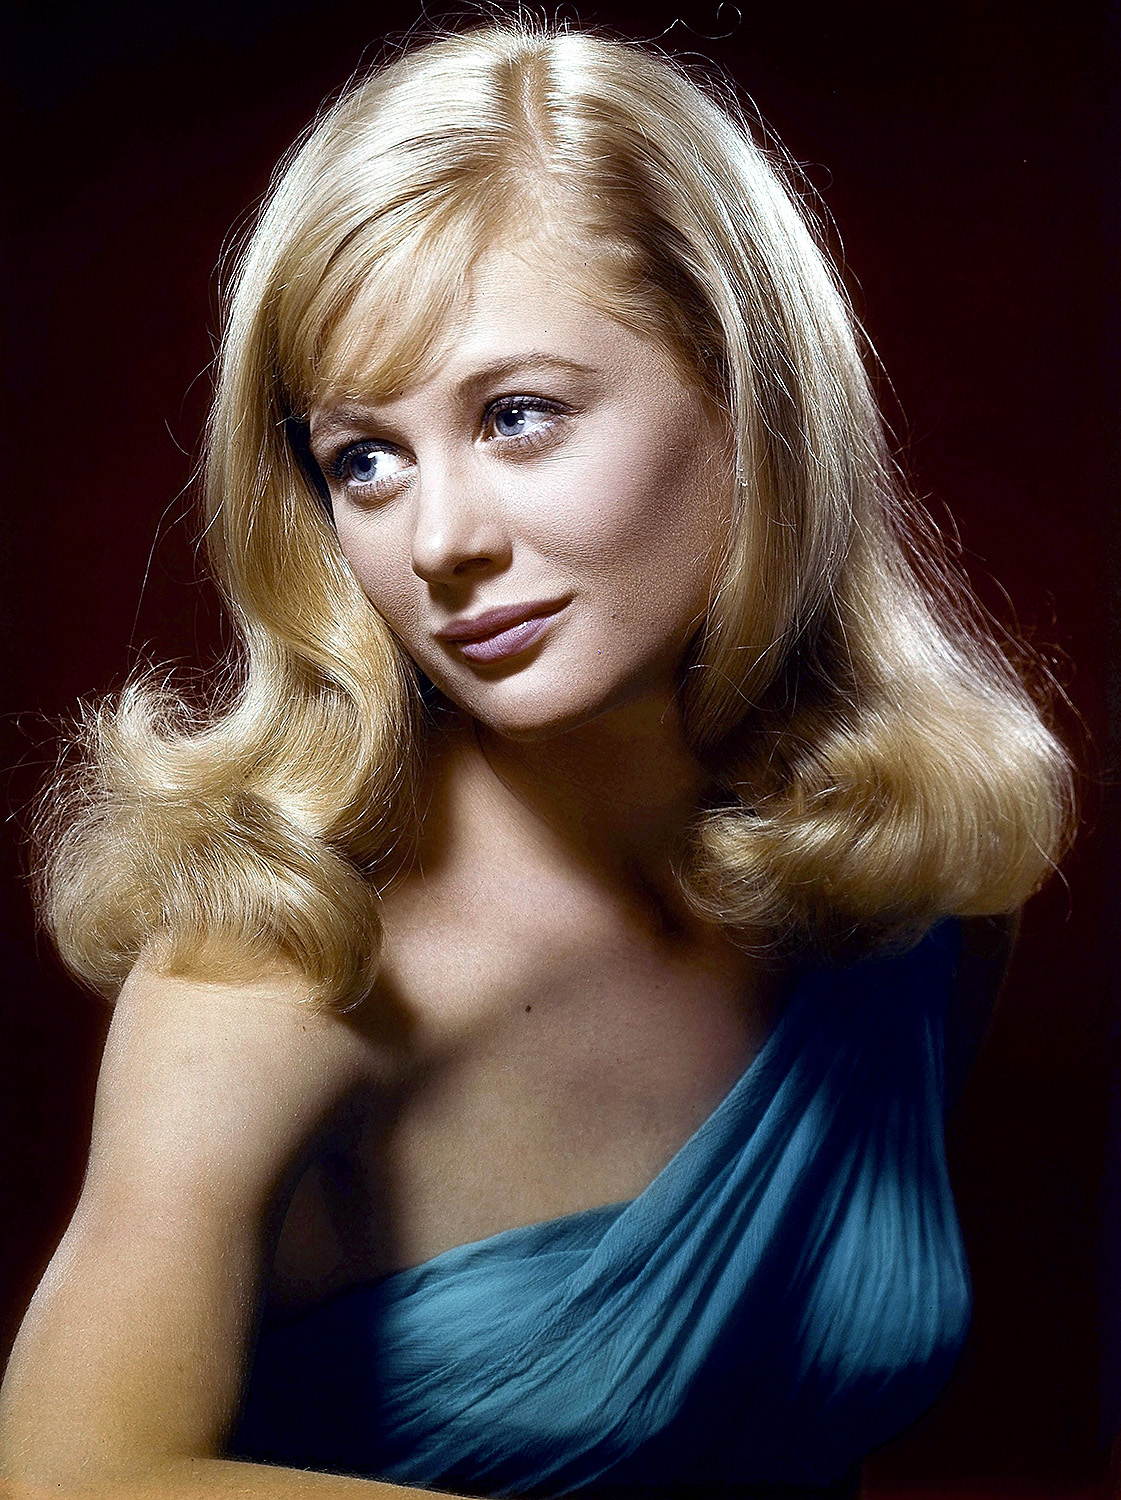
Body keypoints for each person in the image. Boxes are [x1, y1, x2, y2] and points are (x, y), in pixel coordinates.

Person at [0, 19, 1074, 1500]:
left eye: (517, 417)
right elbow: (73, 1476)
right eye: (364, 459)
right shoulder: (281, 961)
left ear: (748, 396)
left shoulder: (922, 890)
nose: (438, 541)